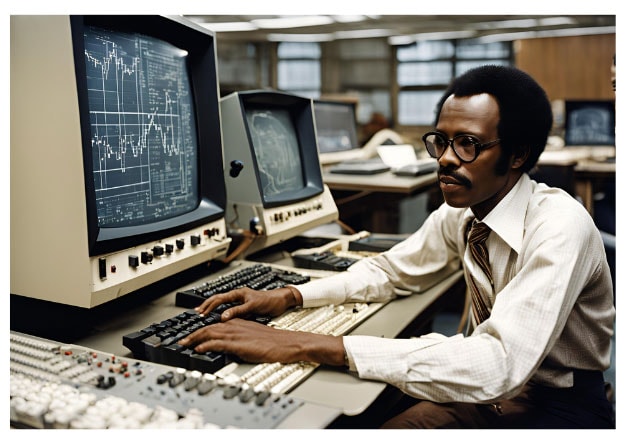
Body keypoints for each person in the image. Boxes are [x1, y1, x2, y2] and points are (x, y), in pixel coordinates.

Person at [178, 65, 615, 429]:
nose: (445, 158)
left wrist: (304, 344)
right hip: (498, 391)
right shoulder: (465, 214)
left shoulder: (559, 226)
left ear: (517, 156)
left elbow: (497, 363)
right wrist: (291, 296)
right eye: (441, 141)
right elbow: (392, 271)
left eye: (467, 144)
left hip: (560, 404)